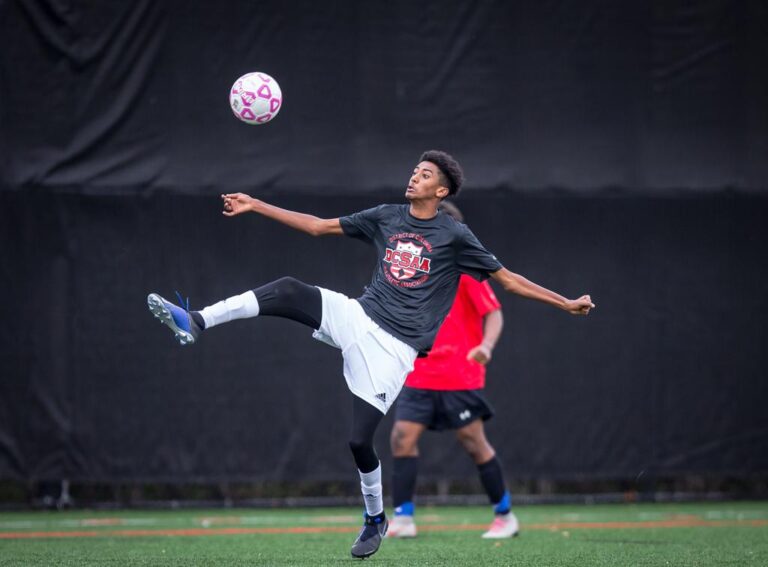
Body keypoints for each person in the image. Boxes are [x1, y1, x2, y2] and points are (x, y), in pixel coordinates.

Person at [146, 150, 594, 559]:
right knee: (287, 289)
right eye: (415, 170)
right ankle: (197, 320)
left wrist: (566, 302)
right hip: (359, 316)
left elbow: (509, 281)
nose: (414, 177)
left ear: (441, 191)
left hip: (395, 350)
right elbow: (319, 227)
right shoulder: (386, 216)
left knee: (360, 441)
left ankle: (376, 519)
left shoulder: (455, 235)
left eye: (425, 175)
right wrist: (257, 205)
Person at [388, 200, 517, 540]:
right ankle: (403, 518)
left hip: (459, 374)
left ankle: (505, 516)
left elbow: (495, 313)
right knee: (402, 438)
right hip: (419, 373)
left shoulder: (466, 272)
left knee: (474, 442)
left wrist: (486, 346)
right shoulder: (412, 272)